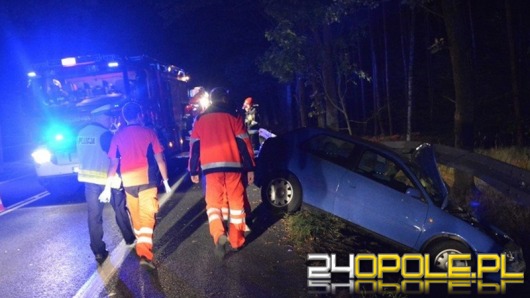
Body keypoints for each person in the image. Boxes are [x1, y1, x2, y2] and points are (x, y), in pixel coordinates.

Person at [99, 101, 171, 270]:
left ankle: (142, 246)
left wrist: (107, 186)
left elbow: (113, 164)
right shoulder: (149, 133)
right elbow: (160, 159)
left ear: (124, 117)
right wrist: (166, 180)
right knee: (147, 215)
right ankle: (145, 253)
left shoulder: (117, 136)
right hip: (147, 180)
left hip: (128, 183)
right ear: (140, 115)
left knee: (137, 218)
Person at [188, 87, 255, 259]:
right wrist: (250, 168)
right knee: (236, 205)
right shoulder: (234, 117)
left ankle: (219, 235)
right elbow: (245, 145)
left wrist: (193, 169)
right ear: (225, 99)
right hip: (234, 168)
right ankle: (237, 241)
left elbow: (194, 148)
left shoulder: (200, 120)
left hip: (211, 170)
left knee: (213, 205)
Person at [76, 104, 136, 265]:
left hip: (89, 182)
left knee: (94, 217)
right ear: (101, 117)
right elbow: (115, 158)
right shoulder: (105, 134)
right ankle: (130, 239)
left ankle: (98, 251)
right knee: (120, 211)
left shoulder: (81, 133)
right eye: (109, 117)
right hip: (108, 180)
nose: (112, 120)